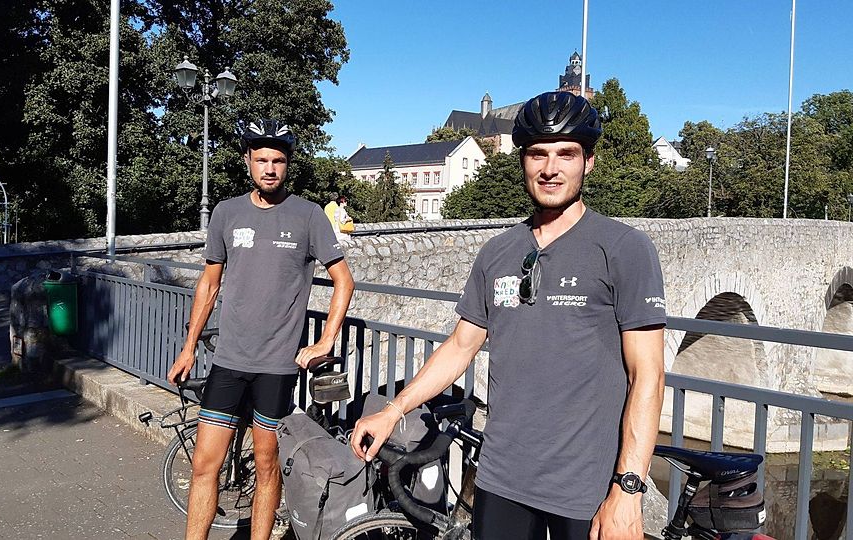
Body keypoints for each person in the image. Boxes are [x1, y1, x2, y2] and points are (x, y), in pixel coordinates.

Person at [350, 92, 666, 540]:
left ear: (588, 162)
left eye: (566, 154)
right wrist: (393, 410)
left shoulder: (623, 249)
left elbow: (648, 374)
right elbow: (461, 346)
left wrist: (628, 490)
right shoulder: (498, 253)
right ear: (522, 161)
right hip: (502, 479)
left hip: (586, 489)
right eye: (537, 153)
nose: (550, 167)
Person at [167, 119, 355, 540]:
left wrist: (325, 341)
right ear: (248, 162)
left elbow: (344, 280)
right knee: (204, 464)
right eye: (262, 160)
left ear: (288, 165)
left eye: (278, 161)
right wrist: (188, 347)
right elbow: (209, 284)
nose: (270, 168)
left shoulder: (308, 216)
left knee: (267, 465)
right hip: (229, 361)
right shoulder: (226, 213)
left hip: (276, 366)